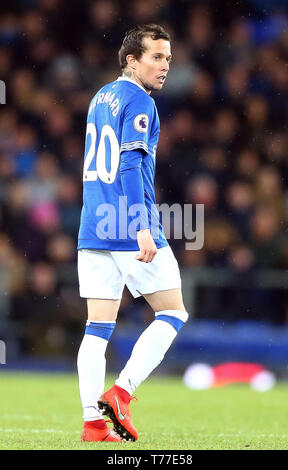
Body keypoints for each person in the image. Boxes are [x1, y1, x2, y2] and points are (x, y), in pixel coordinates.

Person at [77, 24, 188, 443]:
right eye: (156, 57)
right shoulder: (139, 100)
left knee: (97, 327)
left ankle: (92, 424)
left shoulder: (99, 96)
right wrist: (141, 226)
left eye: (168, 59)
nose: (164, 67)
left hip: (93, 225)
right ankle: (121, 393)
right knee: (174, 312)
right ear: (131, 60)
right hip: (127, 223)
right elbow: (128, 166)